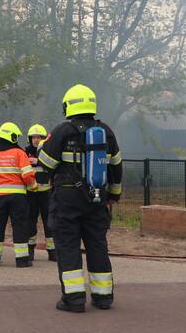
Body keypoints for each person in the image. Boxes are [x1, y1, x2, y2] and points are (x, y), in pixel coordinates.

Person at [37, 85, 123, 312]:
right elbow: (116, 167)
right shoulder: (106, 131)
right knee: (97, 244)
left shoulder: (62, 131)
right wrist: (114, 194)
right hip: (97, 198)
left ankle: (73, 300)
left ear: (69, 105)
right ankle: (103, 297)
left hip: (67, 199)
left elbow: (45, 166)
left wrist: (42, 150)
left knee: (68, 246)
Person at [0, 122, 37, 268]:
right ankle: (22, 260)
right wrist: (33, 186)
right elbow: (28, 175)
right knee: (19, 226)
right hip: (18, 197)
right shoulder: (19, 153)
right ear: (12, 137)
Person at [24, 123, 56, 262]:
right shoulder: (24, 153)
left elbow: (54, 166)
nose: (36, 140)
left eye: (39, 137)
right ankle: (30, 250)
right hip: (31, 193)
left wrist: (39, 161)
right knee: (30, 222)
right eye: (34, 137)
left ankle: (52, 251)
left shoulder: (49, 152)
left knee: (49, 222)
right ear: (29, 139)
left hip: (46, 193)